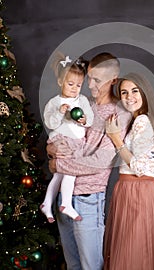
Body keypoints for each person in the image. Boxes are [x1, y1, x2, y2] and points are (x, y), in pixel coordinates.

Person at [47, 52, 131, 270]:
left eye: (97, 80)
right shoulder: (84, 105)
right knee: (73, 265)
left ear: (113, 79)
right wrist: (51, 149)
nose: (90, 84)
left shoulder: (119, 113)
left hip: (88, 198)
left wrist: (58, 165)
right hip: (64, 198)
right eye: (90, 77)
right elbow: (61, 133)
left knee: (90, 267)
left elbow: (101, 161)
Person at [104, 72, 154, 270]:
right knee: (140, 255)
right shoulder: (139, 121)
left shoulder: (142, 122)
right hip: (137, 191)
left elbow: (139, 168)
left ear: (144, 93)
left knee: (131, 254)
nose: (129, 96)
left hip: (136, 191)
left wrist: (115, 138)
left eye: (134, 91)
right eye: (124, 92)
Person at [41, 53, 94, 223]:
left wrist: (85, 120)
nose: (74, 88)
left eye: (78, 85)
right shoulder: (54, 102)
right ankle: (65, 204)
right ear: (60, 82)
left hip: (77, 143)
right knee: (70, 172)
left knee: (59, 175)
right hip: (62, 140)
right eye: (70, 84)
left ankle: (47, 203)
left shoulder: (83, 100)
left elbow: (90, 119)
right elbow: (50, 123)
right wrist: (60, 112)